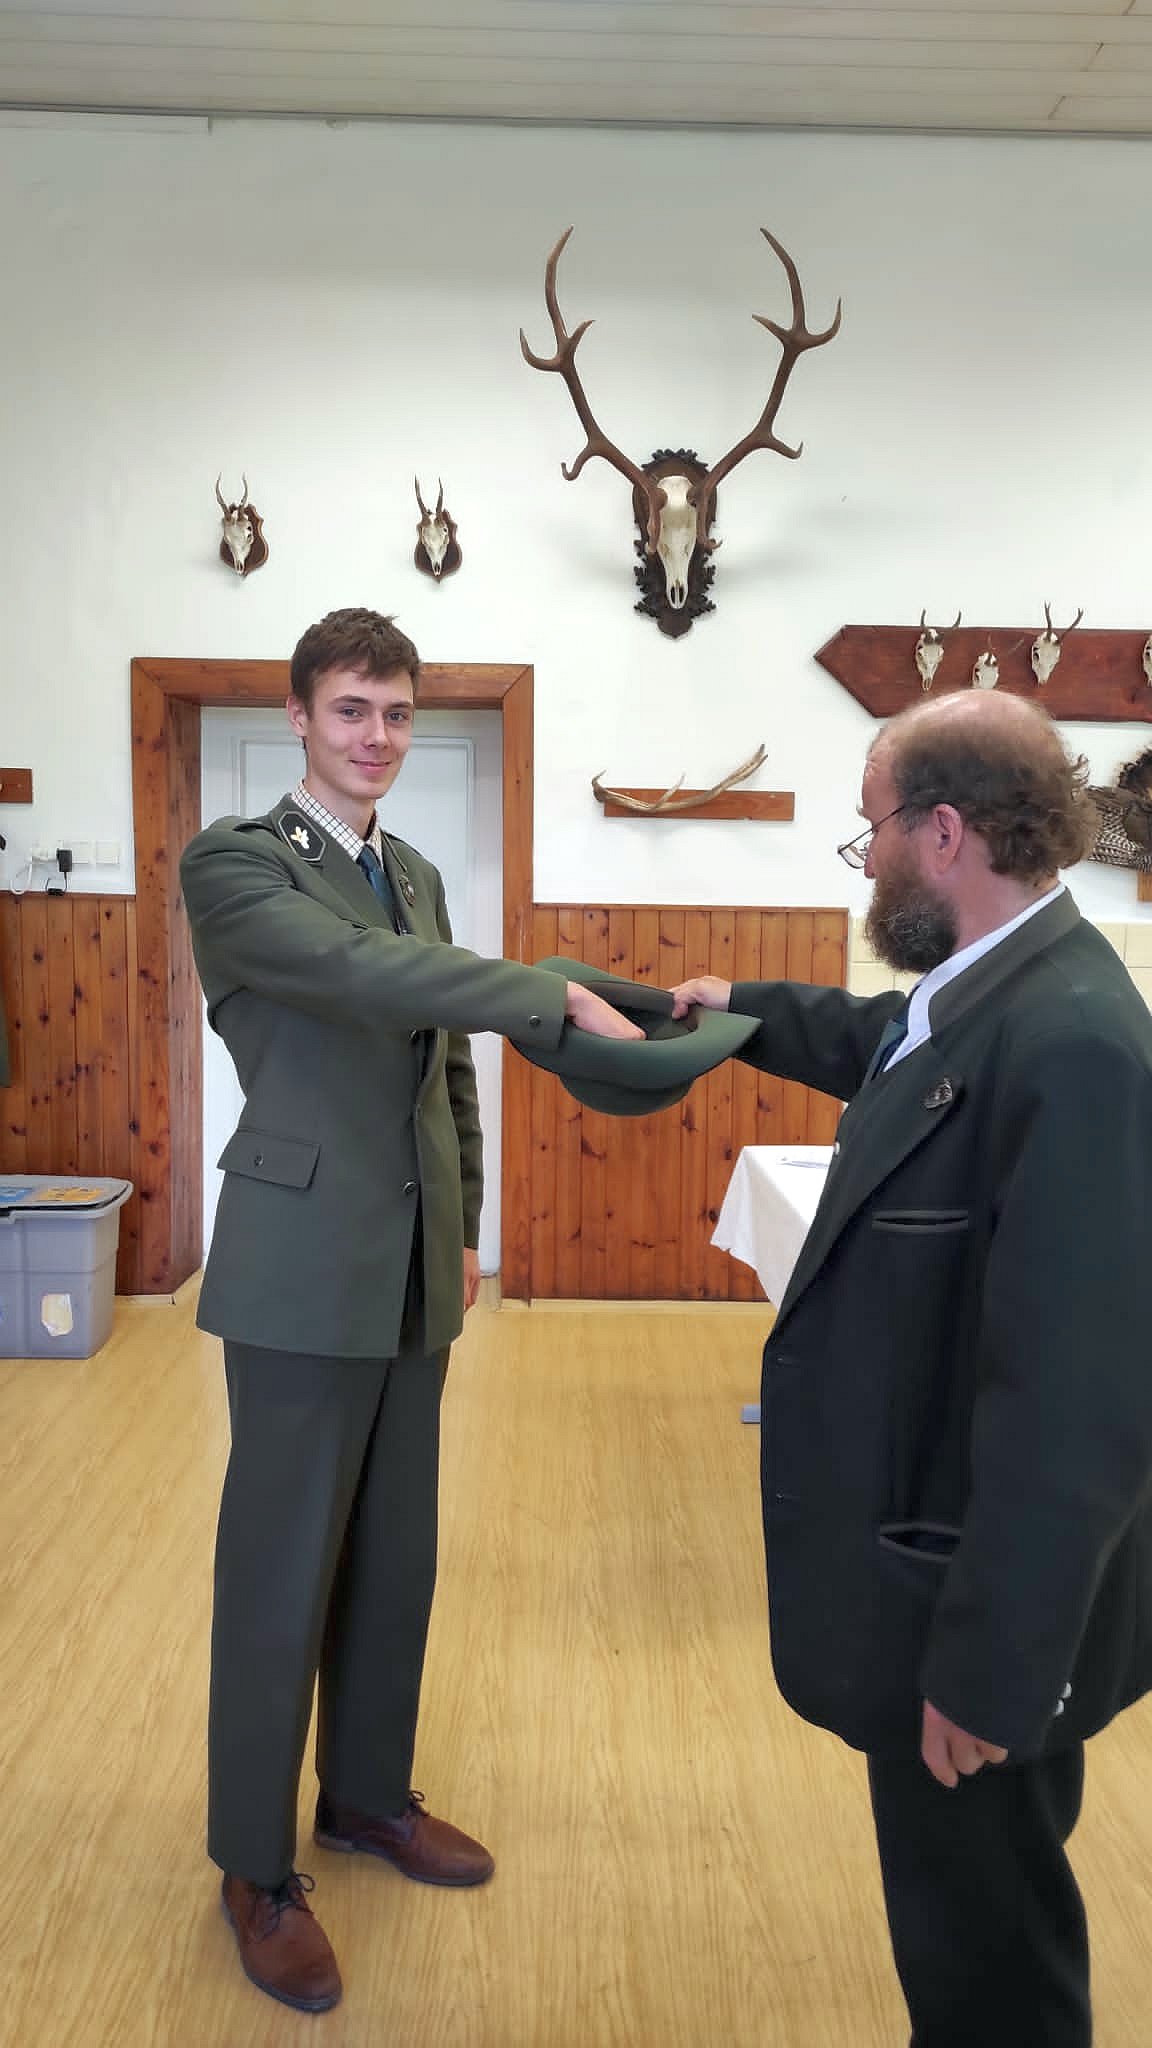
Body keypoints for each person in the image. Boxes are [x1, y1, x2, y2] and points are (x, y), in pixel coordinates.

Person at [671, 689, 1152, 2048]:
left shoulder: (1073, 1042)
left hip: (980, 1621)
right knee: (955, 1930)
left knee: (991, 1958)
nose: (867, 858)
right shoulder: (1002, 982)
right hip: (941, 1580)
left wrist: (992, 1671)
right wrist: (740, 1008)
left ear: (943, 833)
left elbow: (1081, 1411)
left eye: (870, 829)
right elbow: (886, 1042)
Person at [180, 607, 640, 2015]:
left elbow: (443, 1068)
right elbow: (365, 977)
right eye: (350, 710)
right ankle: (254, 1867)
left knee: (396, 1558)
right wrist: (548, 992)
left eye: (395, 714)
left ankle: (368, 1796)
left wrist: (467, 1225)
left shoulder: (421, 872)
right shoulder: (238, 863)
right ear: (301, 717)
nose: (375, 737)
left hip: (414, 1269)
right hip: (298, 1266)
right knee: (281, 1577)